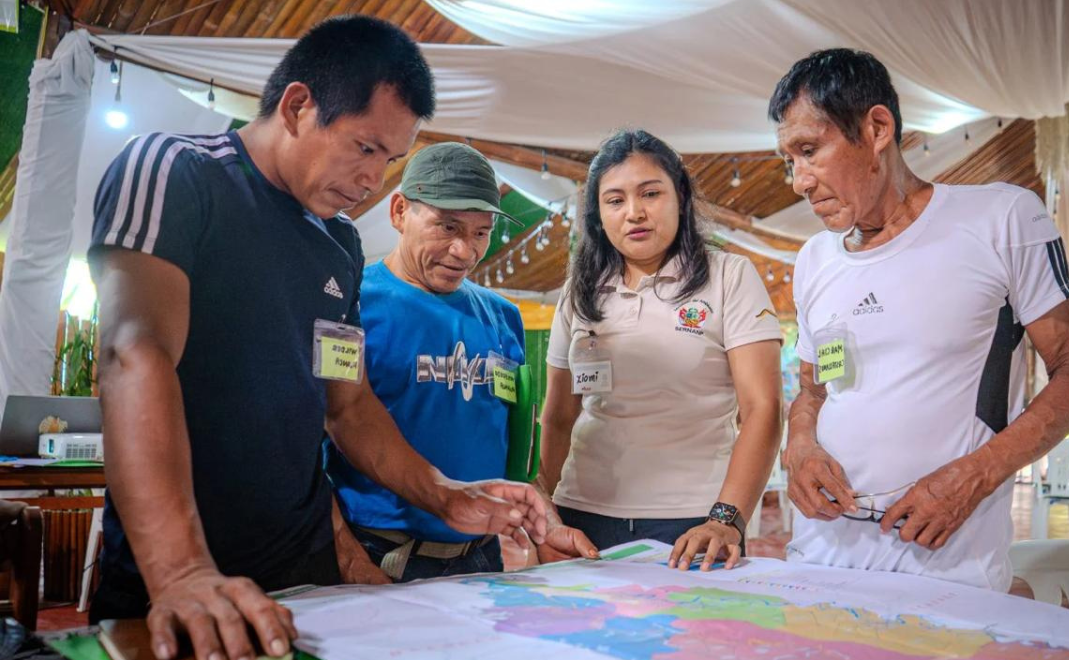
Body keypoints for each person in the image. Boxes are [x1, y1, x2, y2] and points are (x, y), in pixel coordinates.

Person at [88, 17, 546, 660]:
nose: (372, 178)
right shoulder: (176, 171)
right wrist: (182, 572)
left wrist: (445, 493)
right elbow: (133, 354)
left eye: (388, 159)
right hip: (179, 570)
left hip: (305, 574)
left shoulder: (338, 245)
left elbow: (347, 403)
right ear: (299, 105)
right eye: (364, 148)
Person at [771, 49, 1069, 590]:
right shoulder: (814, 260)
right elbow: (812, 391)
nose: (798, 181)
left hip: (945, 565)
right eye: (789, 160)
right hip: (819, 557)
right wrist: (801, 446)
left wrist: (973, 477)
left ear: (877, 127)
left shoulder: (1002, 218)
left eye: (809, 151)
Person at [325, 142, 597, 583]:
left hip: (481, 558)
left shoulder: (503, 316)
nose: (464, 251)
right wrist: (346, 556)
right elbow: (310, 448)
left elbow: (514, 457)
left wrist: (546, 523)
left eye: (480, 233)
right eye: (446, 226)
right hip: (379, 554)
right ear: (398, 212)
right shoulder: (351, 304)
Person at [538, 129, 784, 572]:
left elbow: (763, 408)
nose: (634, 213)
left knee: (695, 642)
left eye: (650, 193)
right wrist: (547, 507)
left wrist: (726, 518)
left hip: (695, 524)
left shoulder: (729, 277)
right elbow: (558, 415)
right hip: (583, 516)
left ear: (681, 196)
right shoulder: (580, 291)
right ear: (597, 213)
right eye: (614, 200)